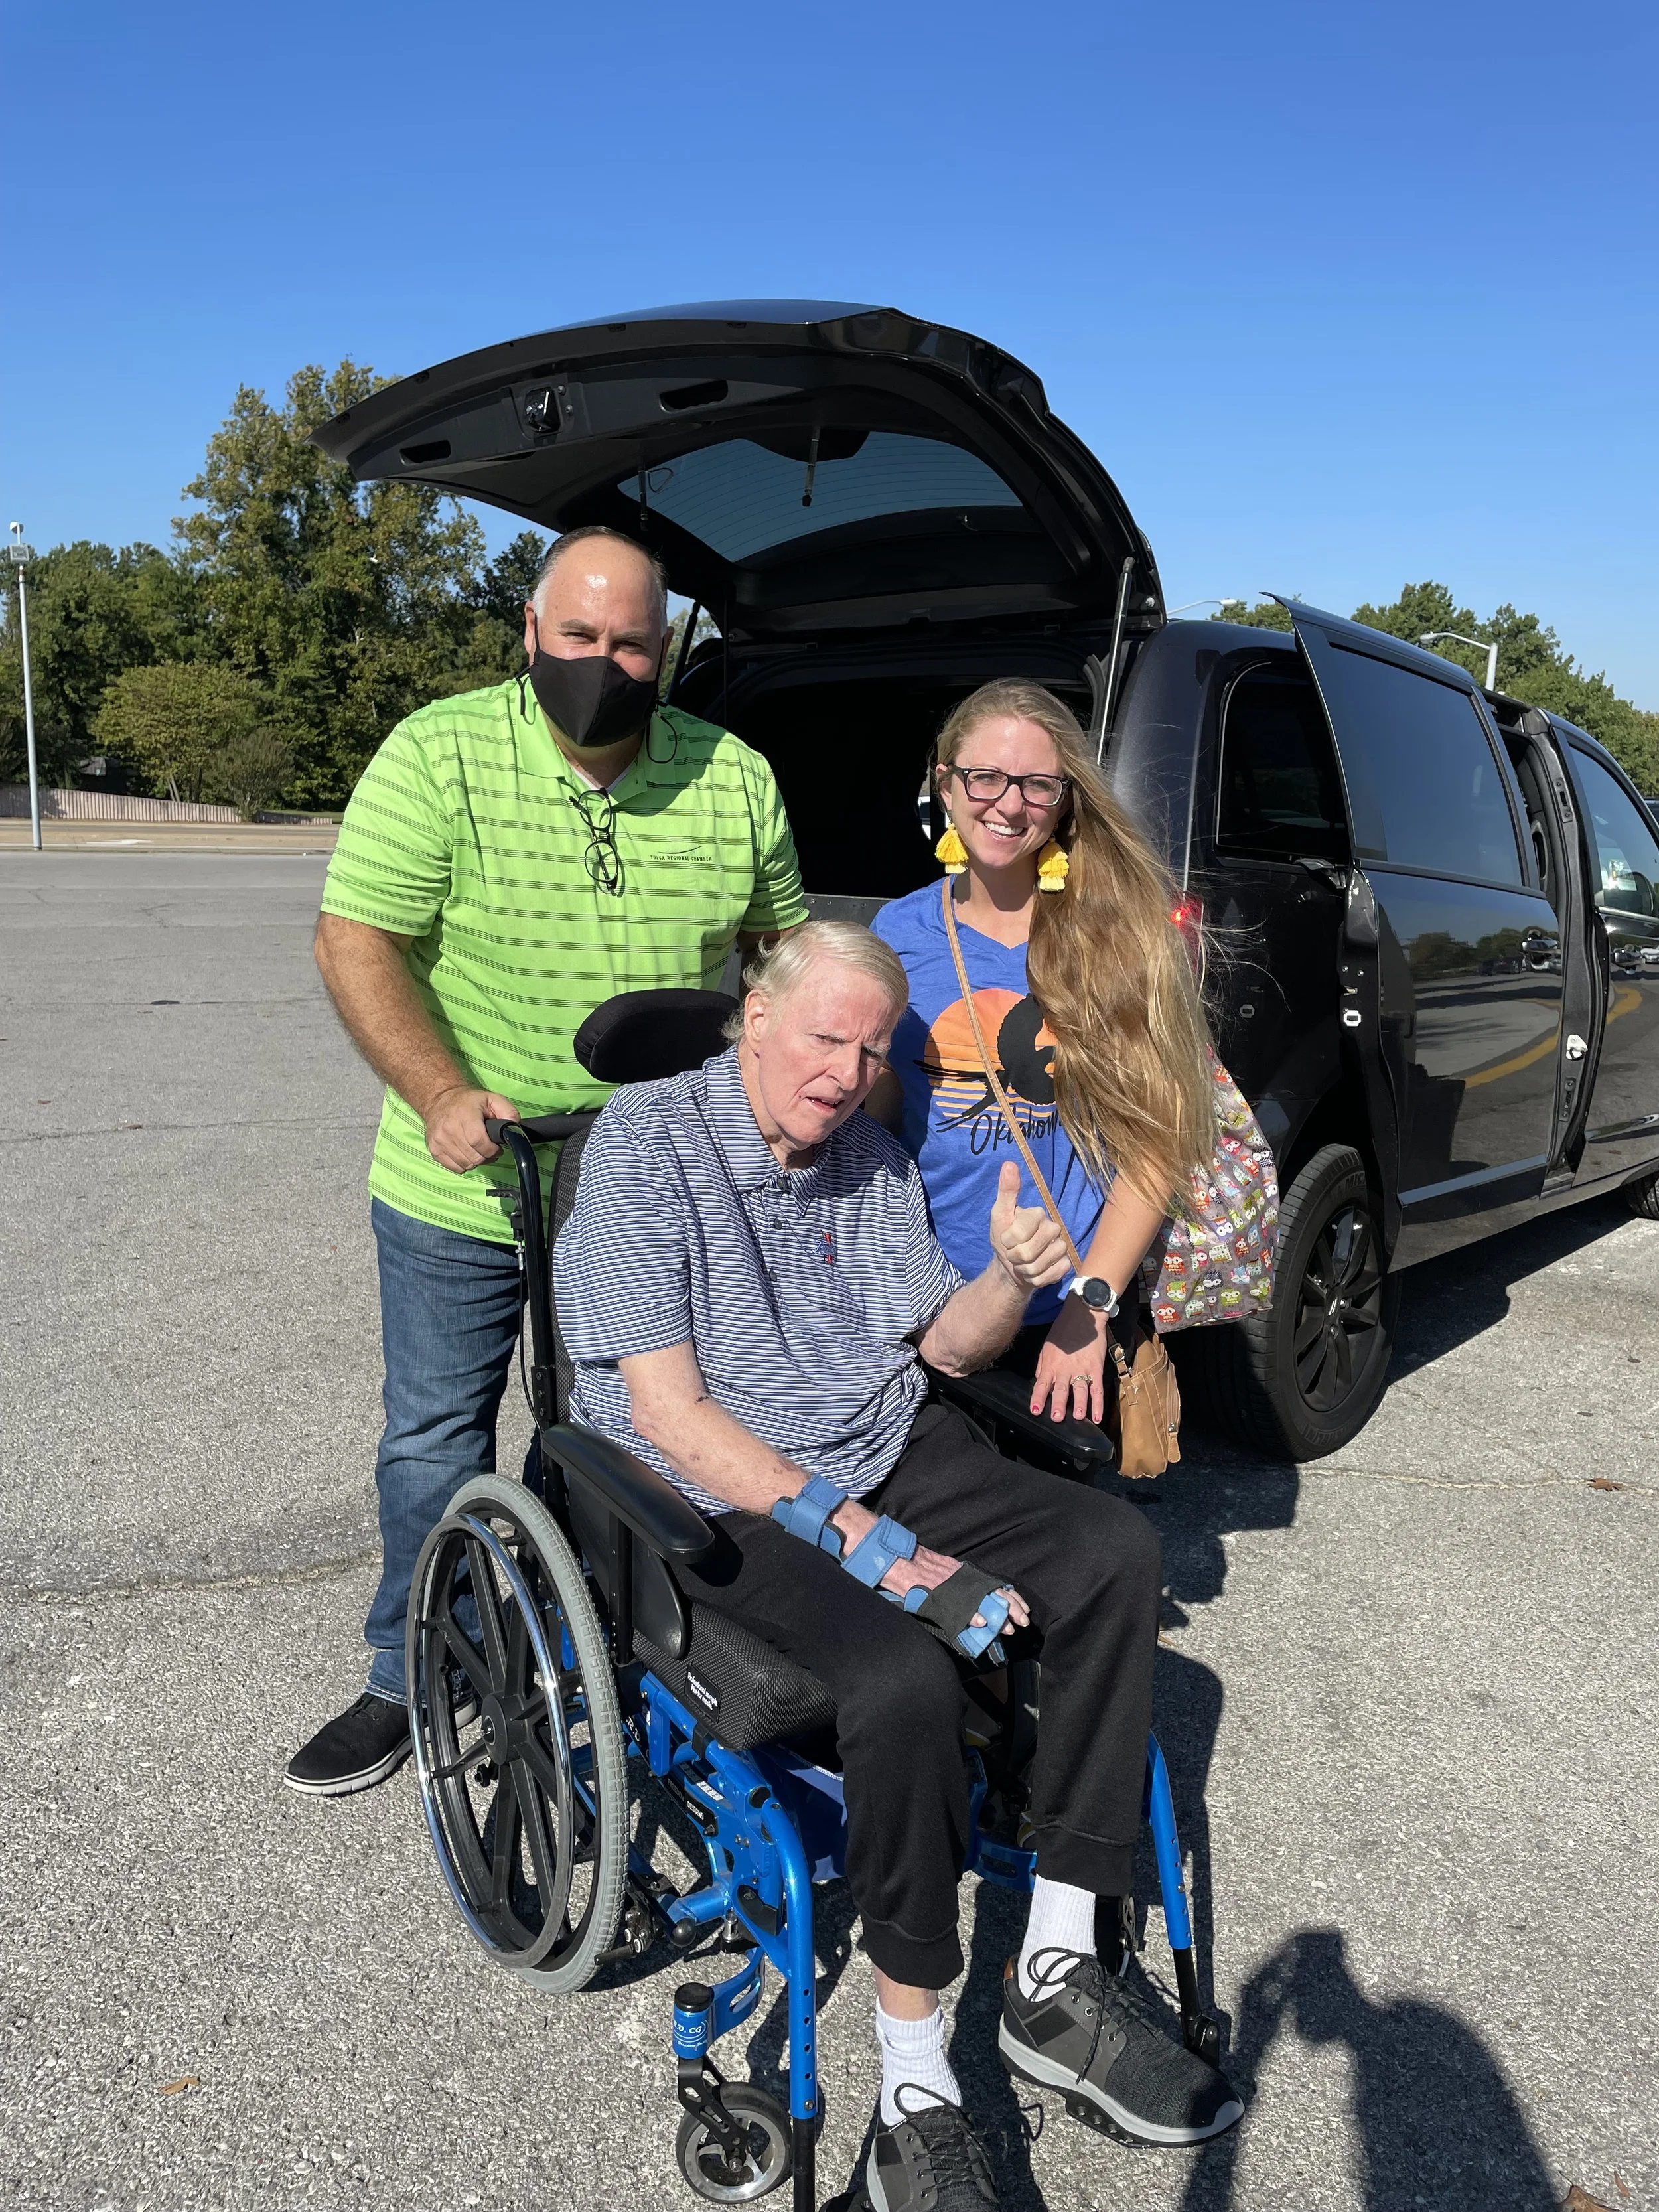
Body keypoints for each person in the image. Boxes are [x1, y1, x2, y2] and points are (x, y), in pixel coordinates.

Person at [553, 922, 1242, 2212]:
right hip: (724, 1491)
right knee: (902, 1670)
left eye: (870, 1050)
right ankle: (914, 2085)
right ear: (749, 1020)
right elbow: (668, 1416)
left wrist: (1001, 1270)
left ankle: (1050, 1970)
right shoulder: (648, 1144)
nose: (843, 1070)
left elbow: (941, 1348)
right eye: (822, 1036)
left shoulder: (862, 1155)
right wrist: (873, 1544)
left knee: (1109, 1550)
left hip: (880, 1435)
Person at [285, 527, 807, 1797]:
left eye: (632, 640)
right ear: (530, 632)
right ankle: (408, 1672)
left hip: (646, 1182)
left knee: (622, 1431)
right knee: (434, 1438)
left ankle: (604, 1639)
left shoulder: (734, 778)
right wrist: (437, 1089)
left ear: (666, 645)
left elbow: (780, 959)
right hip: (467, 1173)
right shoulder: (440, 751)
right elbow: (357, 939)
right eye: (578, 637)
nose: (604, 662)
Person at [870, 680, 1218, 1426]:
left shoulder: (1116, 940)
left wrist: (1090, 1308)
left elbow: (1155, 1146)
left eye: (1036, 784)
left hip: (1061, 1324)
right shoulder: (893, 938)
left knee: (1059, 1534)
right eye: (984, 777)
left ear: (1064, 799)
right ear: (945, 783)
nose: (1007, 803)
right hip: (927, 1308)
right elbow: (877, 1129)